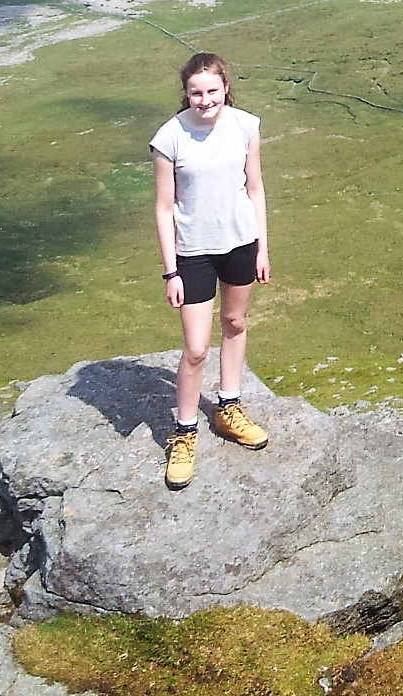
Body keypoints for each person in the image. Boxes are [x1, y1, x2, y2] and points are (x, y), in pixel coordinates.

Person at [151, 51, 272, 489]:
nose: (205, 100)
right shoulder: (170, 138)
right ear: (186, 93)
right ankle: (184, 432)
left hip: (240, 242)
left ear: (225, 88)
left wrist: (262, 248)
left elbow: (254, 188)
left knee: (235, 322)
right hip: (194, 252)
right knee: (197, 347)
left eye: (212, 91)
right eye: (196, 92)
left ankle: (228, 408)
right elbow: (164, 208)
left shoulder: (245, 126)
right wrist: (171, 272)